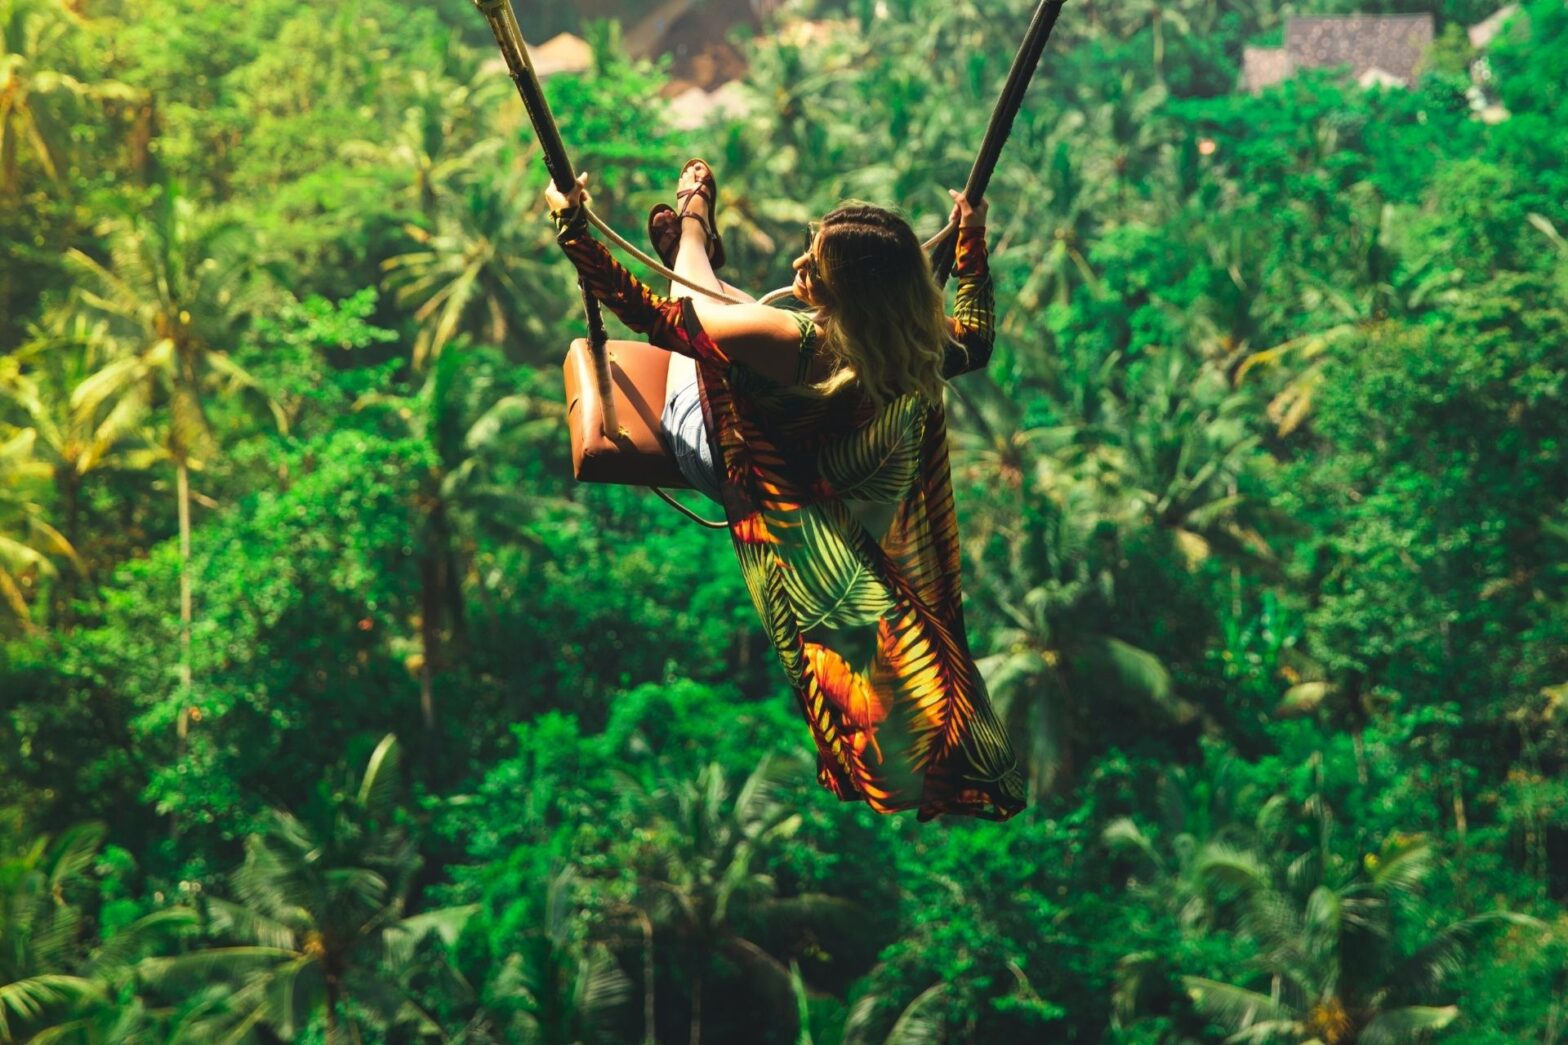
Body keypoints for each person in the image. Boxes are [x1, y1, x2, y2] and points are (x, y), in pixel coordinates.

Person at [546, 160, 1026, 821]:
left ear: (848, 293)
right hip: (821, 473)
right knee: (736, 318)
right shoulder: (918, 346)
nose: (800, 264)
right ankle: (696, 255)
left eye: (815, 264)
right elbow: (977, 335)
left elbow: (654, 319)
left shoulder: (794, 341)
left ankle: (693, 230)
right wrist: (970, 238)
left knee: (705, 312)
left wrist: (573, 226)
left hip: (734, 457)